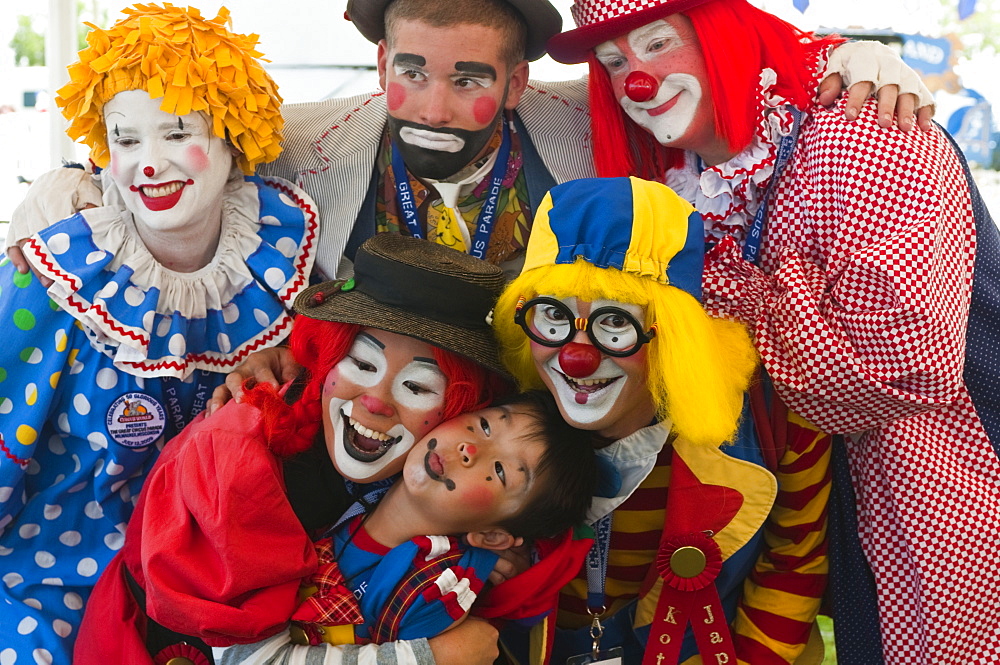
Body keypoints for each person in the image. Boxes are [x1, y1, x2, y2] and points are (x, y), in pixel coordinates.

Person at [546, 1, 1000, 663]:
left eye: (658, 44)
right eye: (615, 64)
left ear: (726, 33)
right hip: (826, 490)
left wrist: (729, 285)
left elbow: (890, 372)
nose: (636, 81)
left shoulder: (858, 130)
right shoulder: (699, 174)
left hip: (941, 475)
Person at [7, 0, 935, 286]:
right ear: (377, 65)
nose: (433, 104)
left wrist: (851, 57)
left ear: (521, 83)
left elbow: (716, 70)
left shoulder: (581, 118)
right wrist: (71, 190)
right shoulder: (307, 139)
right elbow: (170, 148)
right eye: (410, 69)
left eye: (469, 78)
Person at [0, 5, 318, 661]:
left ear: (232, 136)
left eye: (176, 134)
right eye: (126, 139)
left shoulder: (281, 264)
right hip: (60, 579)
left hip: (215, 584)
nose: (149, 162)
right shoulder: (55, 274)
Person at [72, 232, 514, 664]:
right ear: (326, 363)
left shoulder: (433, 467)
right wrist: (430, 657)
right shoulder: (239, 457)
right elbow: (251, 658)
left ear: (460, 408)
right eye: (361, 364)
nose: (376, 401)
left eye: (418, 387)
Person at [491, 176, 832, 664]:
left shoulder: (778, 420)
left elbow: (793, 561)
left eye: (615, 323)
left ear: (672, 334)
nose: (576, 358)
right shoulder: (493, 418)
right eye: (553, 317)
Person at [217, 389, 596, 660]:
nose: (470, 450)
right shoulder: (350, 481)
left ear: (493, 535)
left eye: (500, 471)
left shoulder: (436, 594)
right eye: (483, 426)